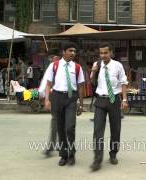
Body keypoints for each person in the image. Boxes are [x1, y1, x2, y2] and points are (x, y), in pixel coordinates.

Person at [44, 42, 85, 166]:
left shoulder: (77, 67)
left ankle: (71, 154)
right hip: (57, 97)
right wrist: (47, 100)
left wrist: (81, 104)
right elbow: (48, 84)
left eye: (74, 51)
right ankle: (63, 155)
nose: (73, 53)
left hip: (71, 98)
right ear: (63, 52)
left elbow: (81, 86)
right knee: (60, 129)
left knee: (69, 128)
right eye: (70, 51)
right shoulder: (54, 66)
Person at [90, 42, 128, 171]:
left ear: (111, 53)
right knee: (97, 131)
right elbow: (92, 82)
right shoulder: (97, 64)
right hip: (100, 100)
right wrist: (93, 72)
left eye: (106, 53)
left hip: (114, 100)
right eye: (101, 53)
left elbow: (123, 83)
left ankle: (113, 154)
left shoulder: (118, 65)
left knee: (115, 130)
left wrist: (124, 99)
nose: (103, 55)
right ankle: (97, 159)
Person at [40, 48, 61, 157]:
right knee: (56, 121)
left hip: (66, 97)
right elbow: (46, 83)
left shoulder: (65, 65)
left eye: (51, 58)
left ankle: (60, 144)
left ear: (56, 57)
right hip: (55, 96)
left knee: (63, 122)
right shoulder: (52, 66)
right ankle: (53, 145)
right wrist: (46, 98)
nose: (50, 60)